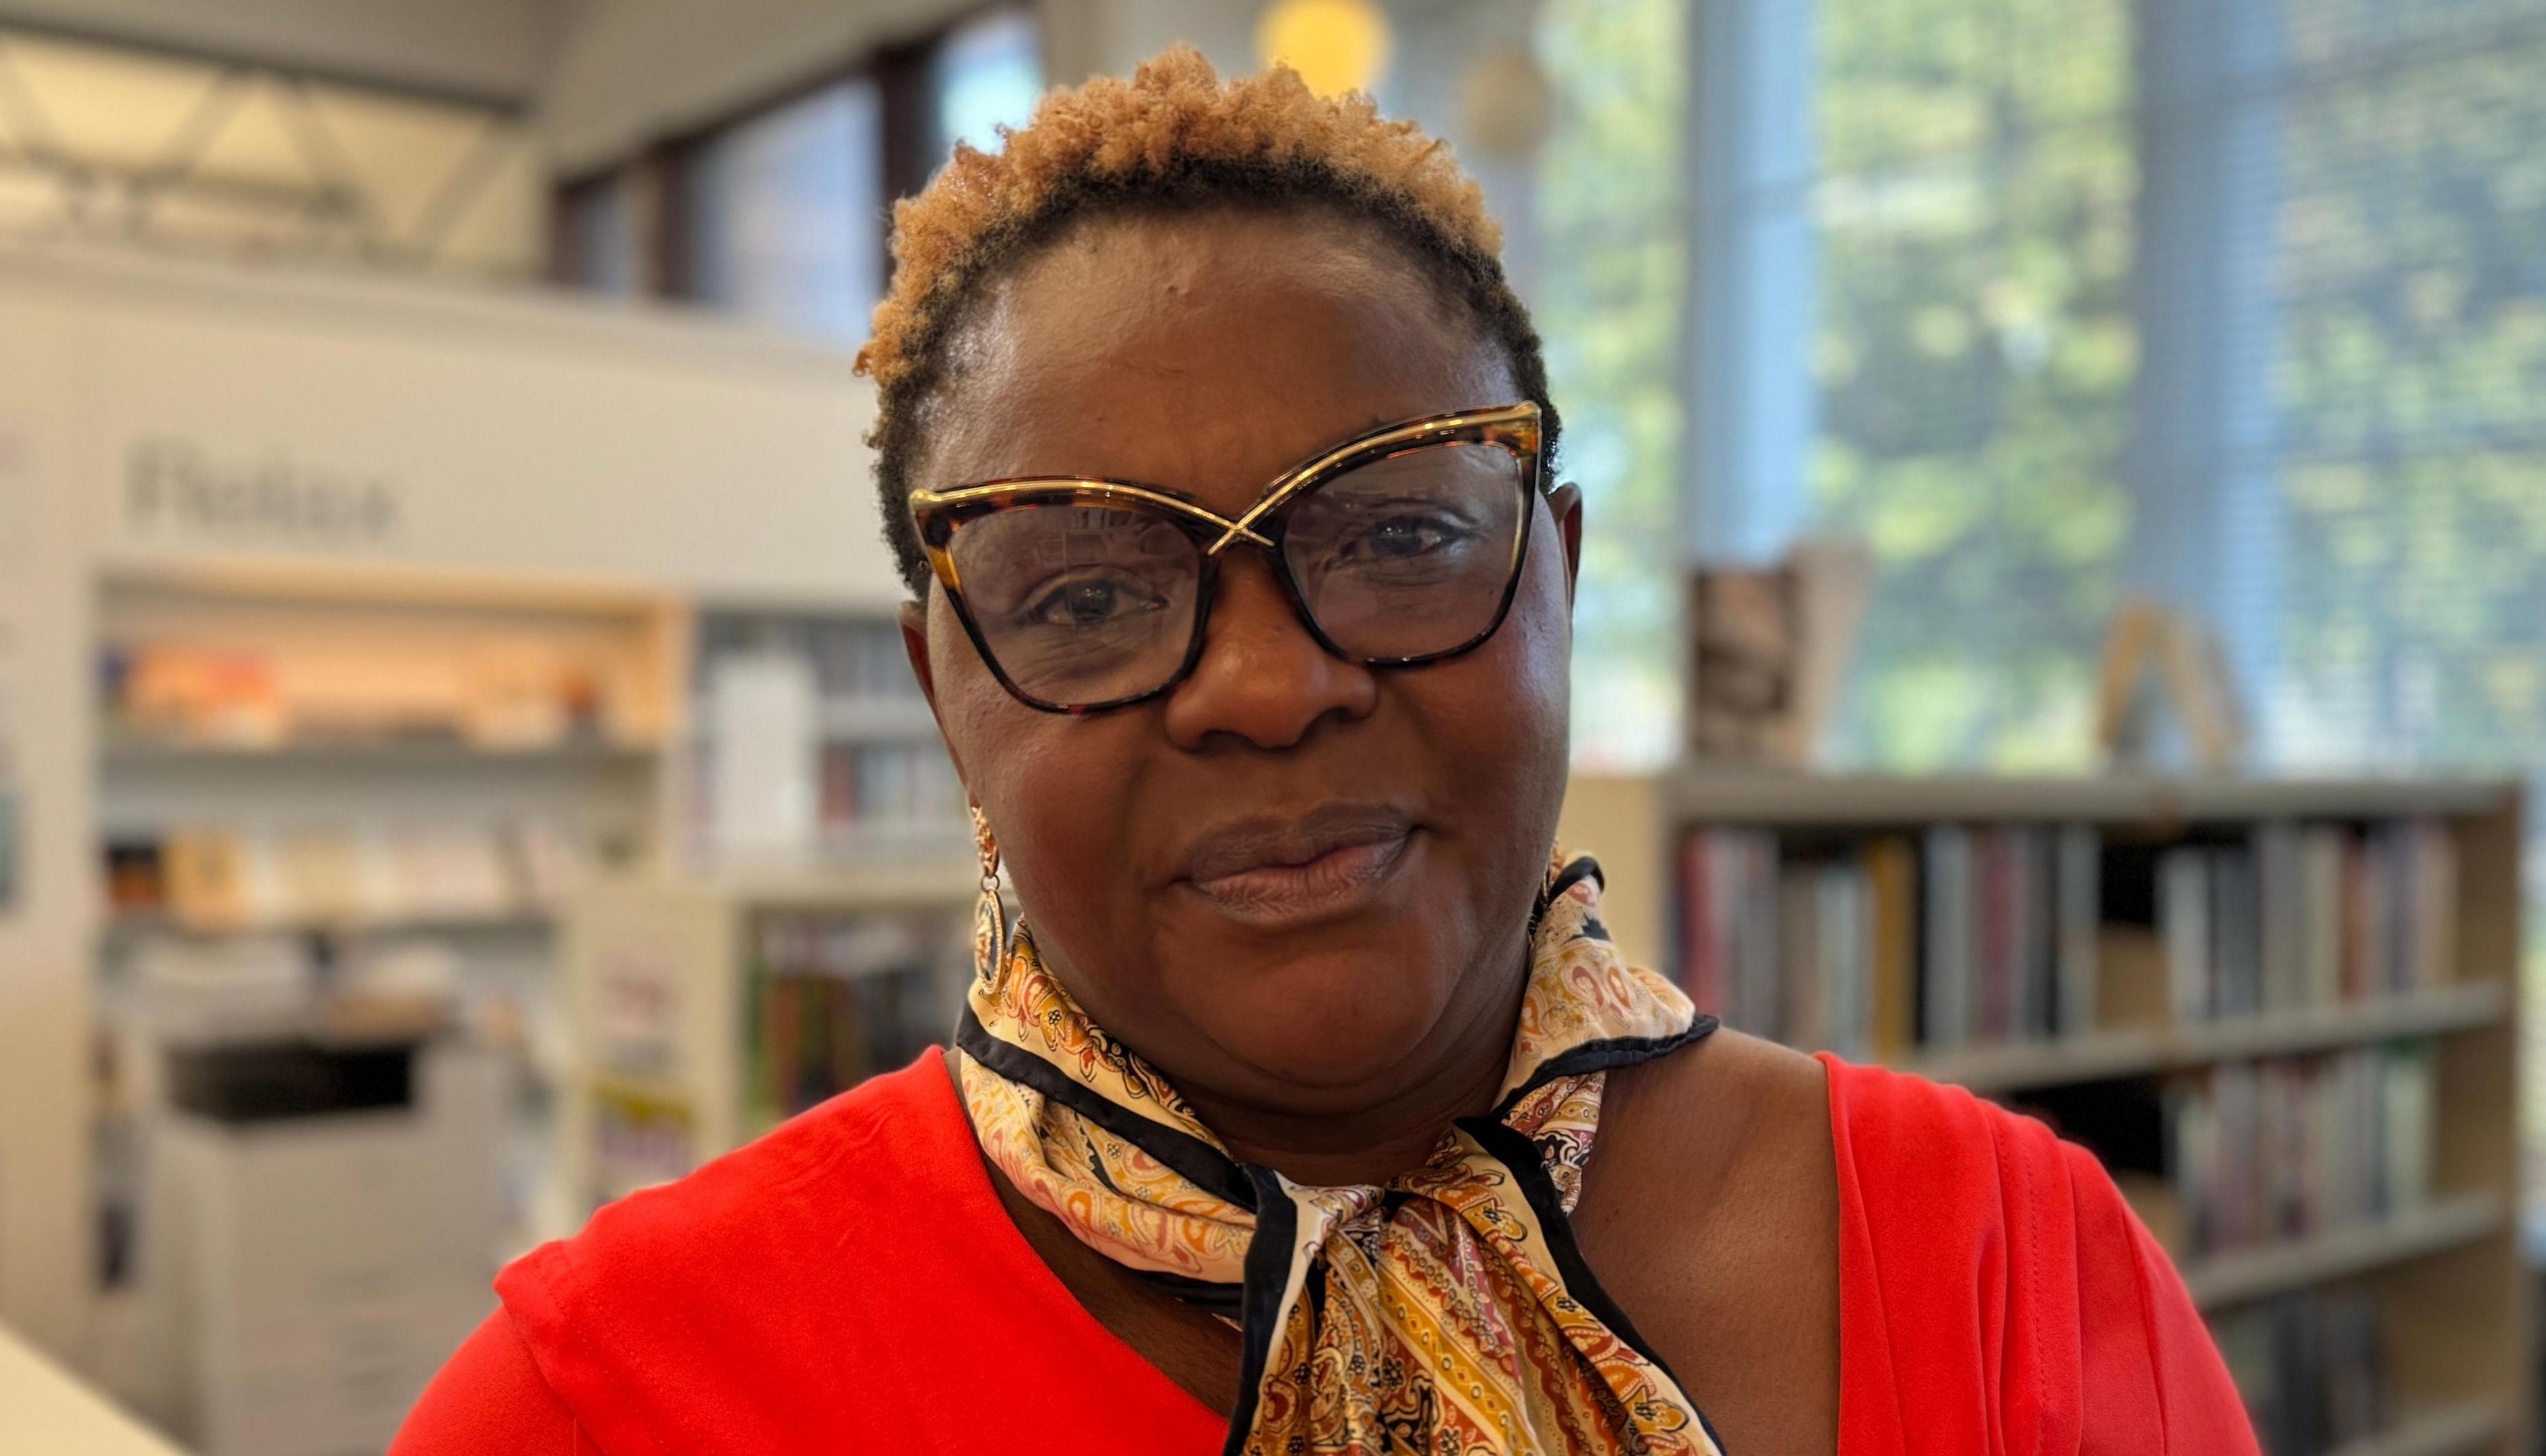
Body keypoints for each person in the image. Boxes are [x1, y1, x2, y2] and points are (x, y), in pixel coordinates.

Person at [394, 48, 2256, 1456]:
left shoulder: (2017, 1266)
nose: (1269, 689)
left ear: (1558, 573)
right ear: (948, 690)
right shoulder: (612, 1399)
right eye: (1087, 595)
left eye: (1397, 536)